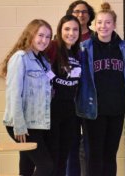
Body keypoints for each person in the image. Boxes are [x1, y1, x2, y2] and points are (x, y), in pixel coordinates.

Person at [76, 2, 125, 176]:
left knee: (110, 155)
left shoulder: (123, 47)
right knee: (94, 156)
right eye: (100, 22)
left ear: (114, 25)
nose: (103, 26)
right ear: (94, 24)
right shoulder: (85, 48)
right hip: (94, 110)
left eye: (108, 22)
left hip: (116, 109)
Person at [1, 19, 54, 176]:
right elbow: (13, 93)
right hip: (23, 124)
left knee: (27, 166)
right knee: (46, 166)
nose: (44, 40)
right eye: (41, 35)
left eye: (48, 37)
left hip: (37, 122)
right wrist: (19, 125)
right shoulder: (20, 58)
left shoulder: (43, 61)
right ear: (30, 34)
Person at [45, 15, 82, 176]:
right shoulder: (52, 47)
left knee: (63, 158)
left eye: (75, 29)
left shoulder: (77, 51)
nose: (71, 33)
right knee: (52, 158)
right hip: (52, 110)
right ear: (60, 30)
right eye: (67, 29)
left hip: (70, 111)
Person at [65, 0, 95, 176]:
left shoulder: (97, 37)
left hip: (90, 98)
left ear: (90, 15)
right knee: (71, 144)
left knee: (90, 145)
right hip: (68, 99)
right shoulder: (62, 39)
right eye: (77, 11)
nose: (80, 15)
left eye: (84, 11)